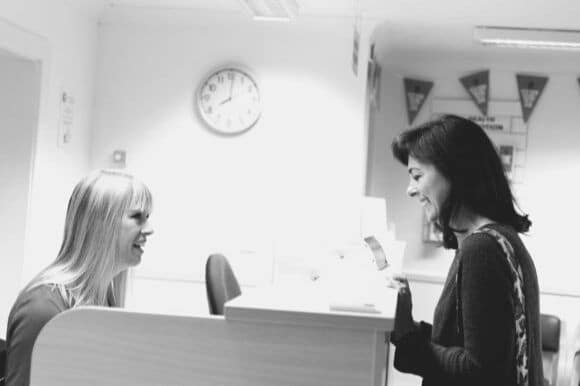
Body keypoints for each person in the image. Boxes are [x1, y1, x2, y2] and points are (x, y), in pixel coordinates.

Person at [388, 114, 543, 386]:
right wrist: (407, 326)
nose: (410, 190)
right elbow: (479, 347)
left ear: (454, 173)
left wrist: (410, 341)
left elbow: (478, 370)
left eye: (417, 176)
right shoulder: (501, 239)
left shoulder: (481, 249)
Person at [4, 169, 154, 386]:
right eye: (137, 217)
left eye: (147, 218)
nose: (149, 229)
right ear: (100, 224)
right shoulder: (43, 308)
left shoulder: (103, 297)